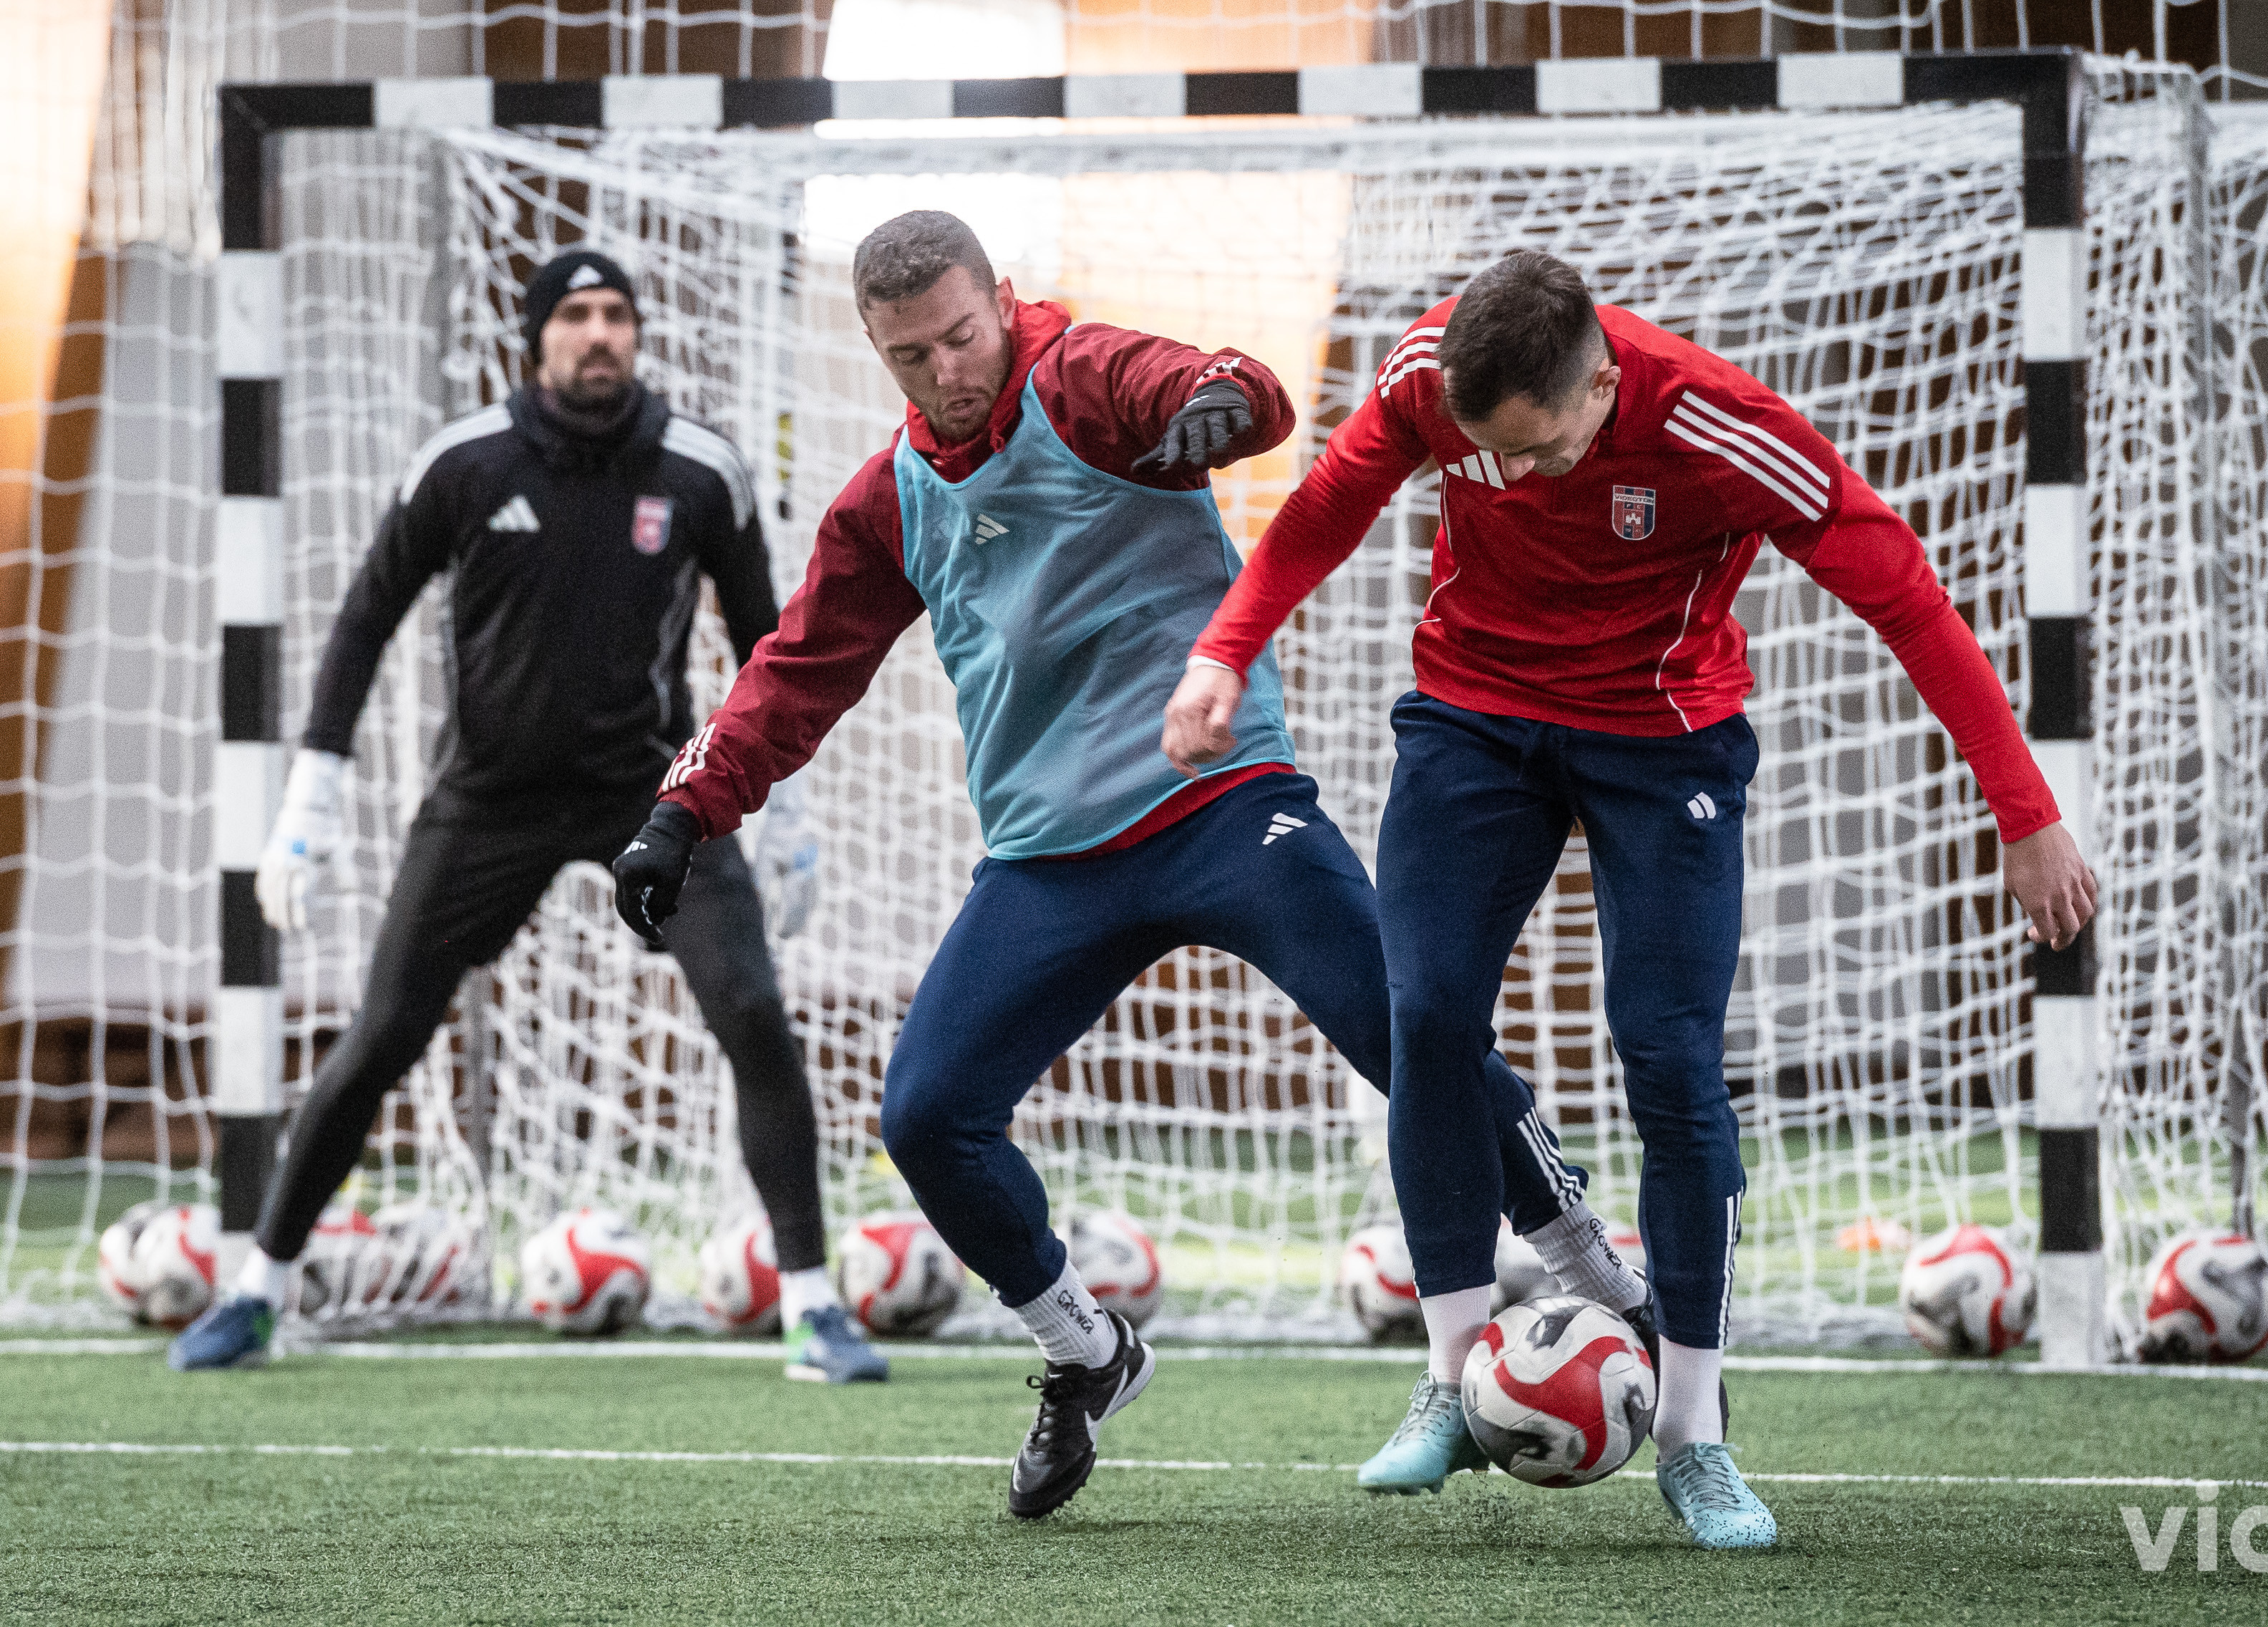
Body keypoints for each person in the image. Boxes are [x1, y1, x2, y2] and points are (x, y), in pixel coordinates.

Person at [611, 211, 1653, 1522]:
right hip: (1049, 860)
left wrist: (1224, 408)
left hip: (1225, 802)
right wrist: (684, 812)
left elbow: (1237, 388)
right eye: (910, 357)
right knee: (925, 1116)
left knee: (1415, 1032)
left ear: (1003, 300)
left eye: (961, 337)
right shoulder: (888, 502)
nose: (946, 371)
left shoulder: (1085, 378)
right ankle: (1084, 1350)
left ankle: (1603, 1278)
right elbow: (796, 675)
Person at [1163, 250, 2098, 1549]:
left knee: (1669, 1060)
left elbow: (1909, 602)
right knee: (1423, 1014)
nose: (1520, 476)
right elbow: (1329, 502)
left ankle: (1695, 1437)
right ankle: (1449, 1379)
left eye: (1542, 449)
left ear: (1603, 383)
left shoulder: (1726, 425)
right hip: (1474, 718)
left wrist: (2026, 813)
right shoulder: (1427, 373)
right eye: (1494, 457)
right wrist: (1224, 651)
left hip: (1666, 744)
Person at [169, 249, 888, 1387]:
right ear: (537, 337)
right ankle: (258, 1289)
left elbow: (771, 645)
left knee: (753, 1010)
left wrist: (786, 806)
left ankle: (813, 1305)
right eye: (577, 316)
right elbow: (364, 620)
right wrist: (311, 794)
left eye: (618, 315)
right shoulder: (463, 463)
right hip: (486, 801)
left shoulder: (702, 468)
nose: (600, 334)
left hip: (654, 794)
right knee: (382, 1034)